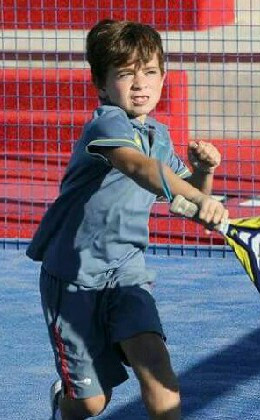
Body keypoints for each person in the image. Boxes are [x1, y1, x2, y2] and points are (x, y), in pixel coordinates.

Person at [26, 19, 228, 420]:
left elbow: (186, 195)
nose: (140, 84)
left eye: (150, 72)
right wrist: (194, 195)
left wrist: (203, 173)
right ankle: (64, 402)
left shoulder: (158, 135)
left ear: (163, 77)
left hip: (127, 273)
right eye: (125, 74)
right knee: (91, 403)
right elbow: (138, 167)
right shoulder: (106, 123)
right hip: (73, 276)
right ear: (101, 85)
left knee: (157, 368)